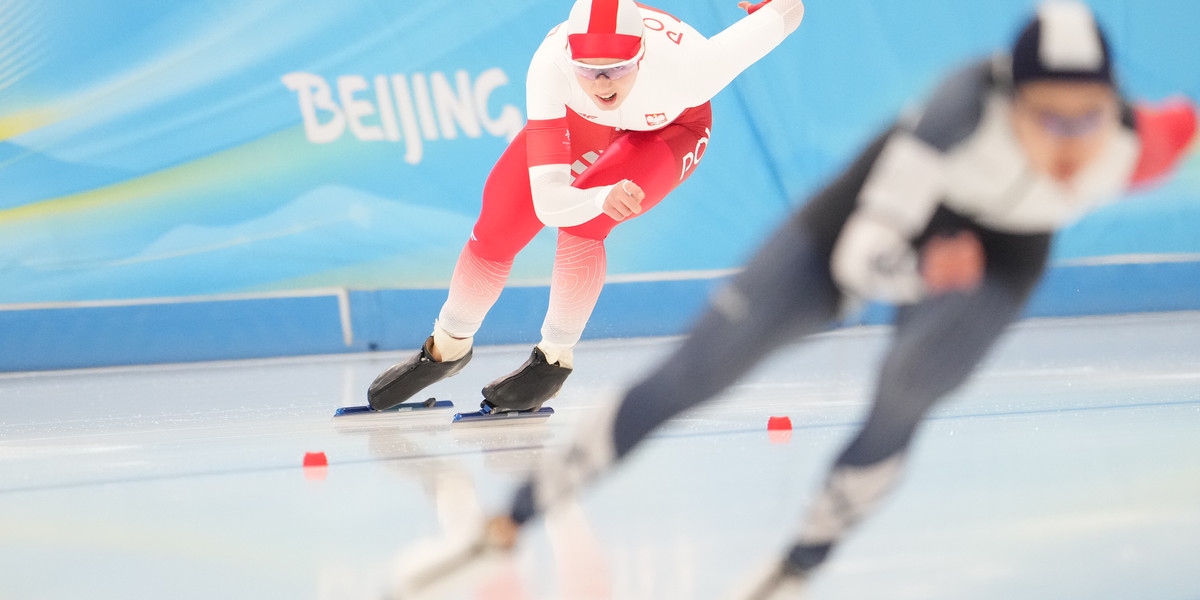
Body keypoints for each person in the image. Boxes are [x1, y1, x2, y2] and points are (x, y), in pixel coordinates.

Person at [388, 1, 1197, 598]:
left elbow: (784, 16)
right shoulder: (953, 121)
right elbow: (863, 261)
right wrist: (922, 271)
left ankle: (791, 570)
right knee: (688, 367)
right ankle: (502, 499)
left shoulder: (1131, 146)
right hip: (869, 229)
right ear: (1006, 101)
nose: (1067, 141)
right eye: (1044, 118)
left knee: (906, 395)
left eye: (1084, 119)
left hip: (980, 246)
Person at [366, 0, 806, 416]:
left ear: (641, 55)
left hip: (670, 128)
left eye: (616, 69)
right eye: (588, 71)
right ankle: (446, 348)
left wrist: (767, 8)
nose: (602, 84)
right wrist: (597, 194)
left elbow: (791, 10)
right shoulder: (549, 66)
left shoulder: (693, 68)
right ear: (569, 58)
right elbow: (548, 201)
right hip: (584, 123)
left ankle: (553, 359)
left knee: (586, 225)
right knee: (498, 223)